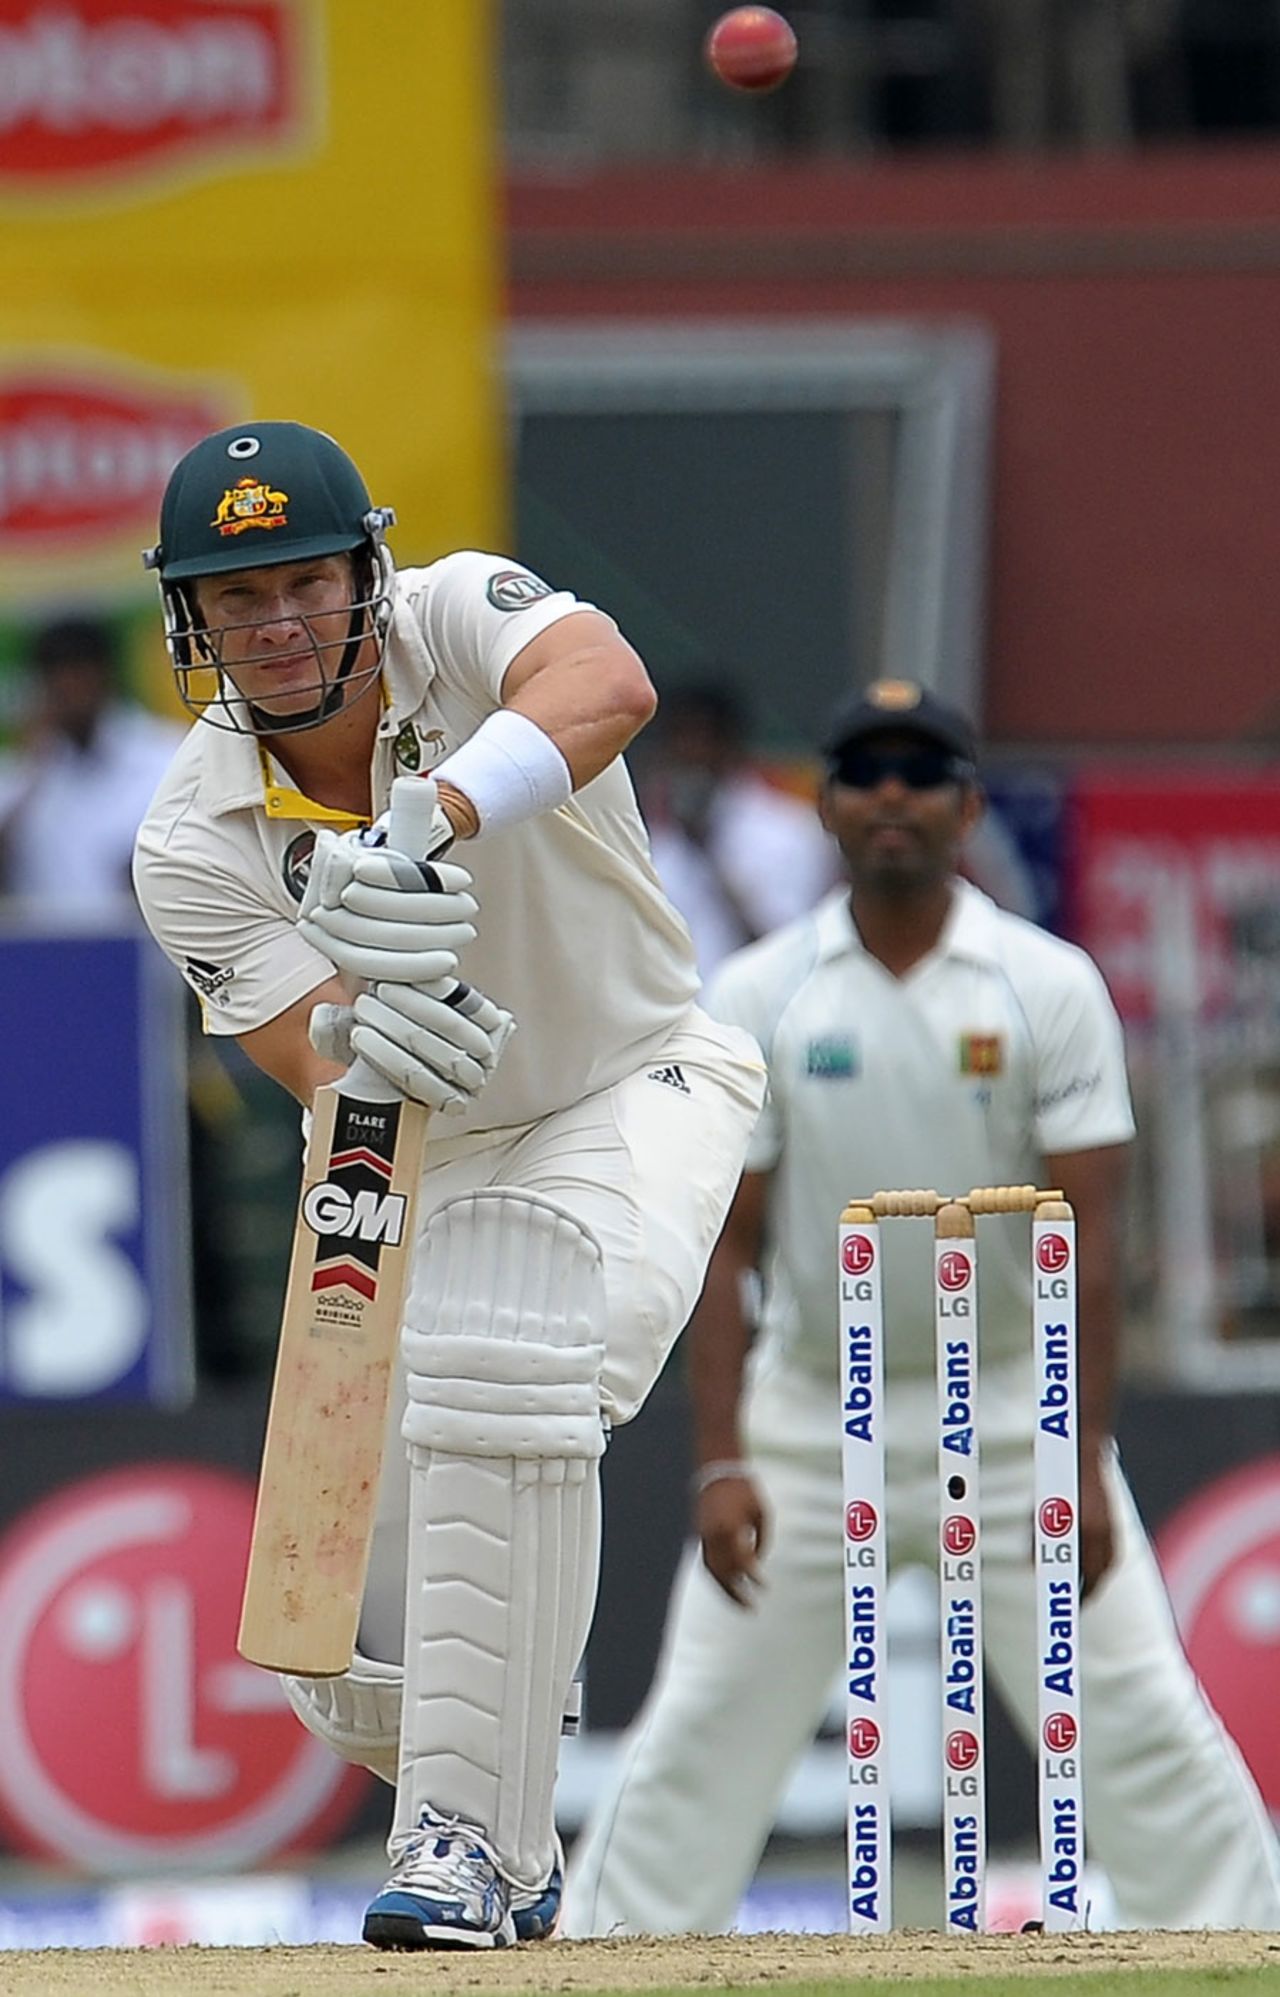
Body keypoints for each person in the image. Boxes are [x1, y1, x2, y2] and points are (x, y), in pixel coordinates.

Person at [131, 421, 765, 1950]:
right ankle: (511, 1826)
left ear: (365, 571)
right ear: (192, 622)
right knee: (344, 1628)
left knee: (520, 1364)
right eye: (234, 598)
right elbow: (315, 1068)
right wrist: (376, 1026)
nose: (274, 624)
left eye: (300, 581)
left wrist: (430, 827)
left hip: (636, 1084)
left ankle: (460, 1847)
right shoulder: (187, 840)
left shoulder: (462, 609)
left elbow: (610, 686)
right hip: (404, 1155)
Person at [563, 678, 1280, 1936]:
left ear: (962, 806)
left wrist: (1075, 1451)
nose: (890, 796)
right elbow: (725, 1248)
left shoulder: (1042, 984)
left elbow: (1091, 1247)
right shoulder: (759, 990)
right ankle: (605, 1957)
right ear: (828, 805)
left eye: (919, 774)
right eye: (864, 774)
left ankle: (1242, 1940)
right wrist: (720, 1456)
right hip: (808, 1415)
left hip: (1010, 1405)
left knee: (1135, 1713)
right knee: (698, 1731)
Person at [640, 681, 838, 976]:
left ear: (730, 745)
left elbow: (790, 952)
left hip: (754, 1016)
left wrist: (710, 853)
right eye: (679, 739)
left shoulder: (790, 831)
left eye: (702, 739)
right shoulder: (649, 837)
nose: (690, 753)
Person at [0, 614, 184, 914]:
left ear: (106, 674)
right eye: (56, 677)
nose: (69, 688)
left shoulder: (167, 756)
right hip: (45, 952)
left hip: (149, 950)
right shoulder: (21, 774)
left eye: (79, 673)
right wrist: (32, 769)